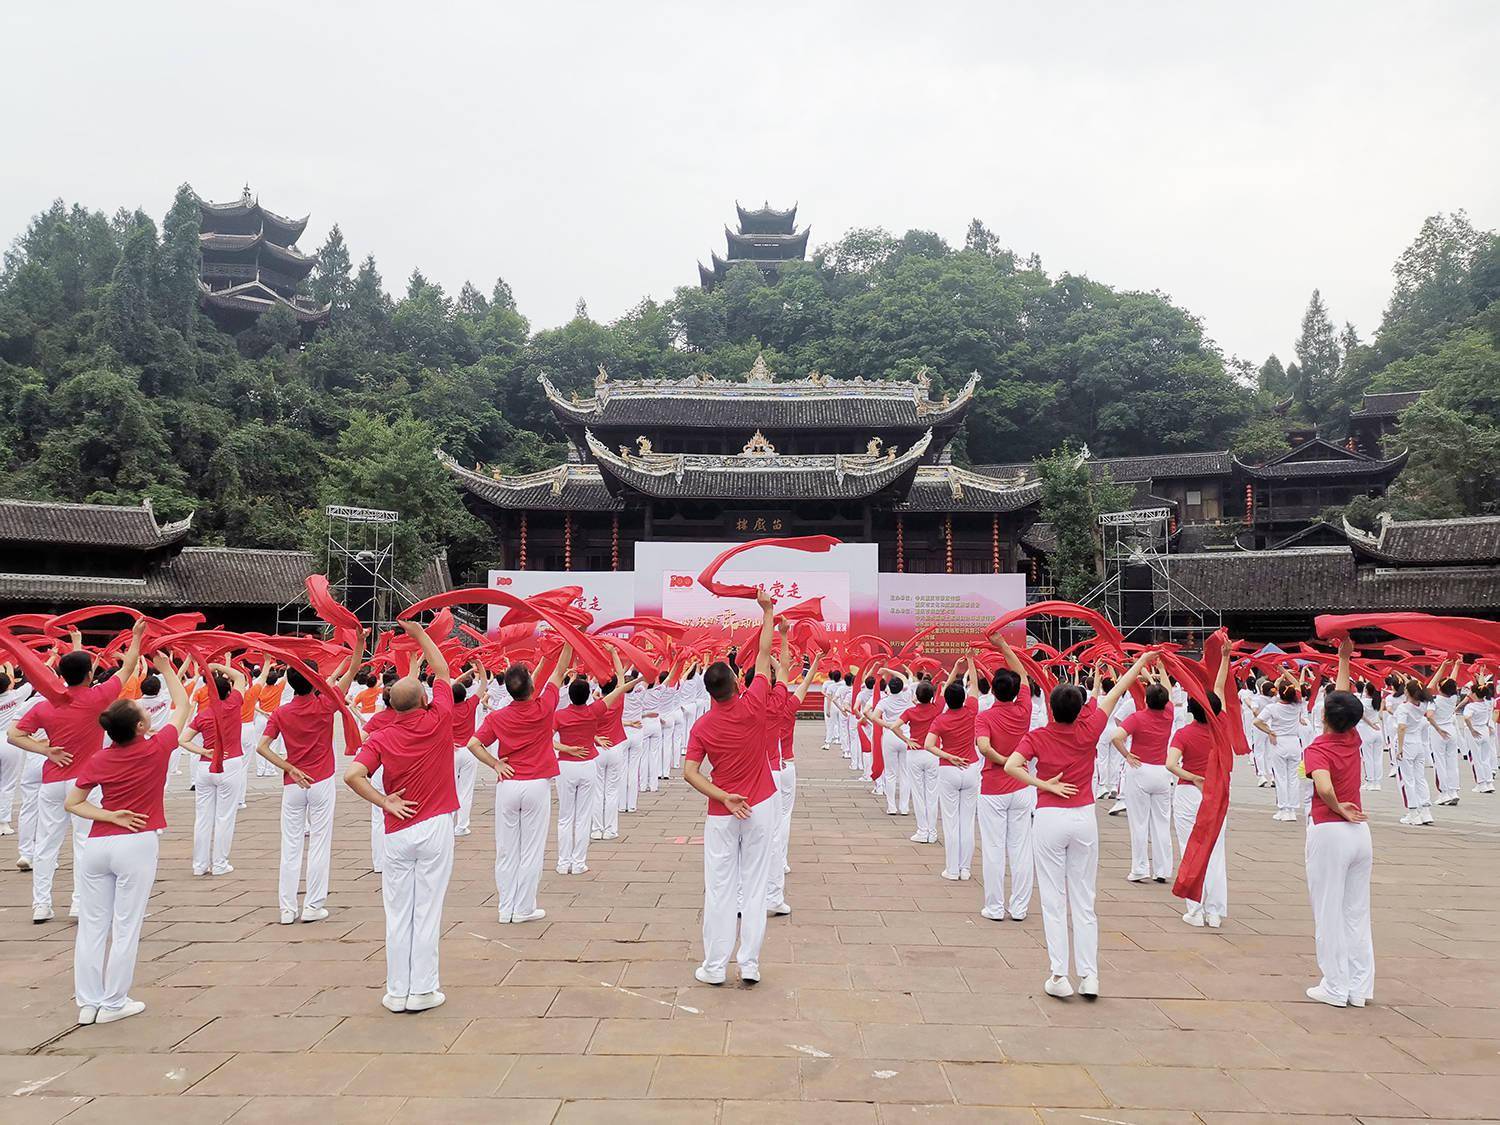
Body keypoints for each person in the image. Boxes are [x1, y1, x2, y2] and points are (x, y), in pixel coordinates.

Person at [1005, 651, 1151, 1000]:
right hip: (1084, 817)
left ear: (1051, 709)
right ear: (1080, 708)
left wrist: (1045, 785)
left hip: (1051, 818)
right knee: (1084, 900)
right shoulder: (1090, 729)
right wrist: (1139, 662)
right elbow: (1116, 692)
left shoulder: (1037, 736)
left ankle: (1059, 974)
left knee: (1055, 899)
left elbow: (1012, 766)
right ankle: (1090, 976)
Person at [65, 653, 193, 1026]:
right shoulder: (157, 748)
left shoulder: (99, 758)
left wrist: (107, 814)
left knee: (92, 924)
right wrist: (168, 668)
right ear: (139, 726)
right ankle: (114, 1001)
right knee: (125, 924)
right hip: (135, 842)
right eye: (141, 711)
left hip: (96, 846)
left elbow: (74, 803)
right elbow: (182, 704)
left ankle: (88, 1003)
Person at [345, 620, 458, 1013]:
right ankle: (423, 990)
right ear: (426, 698)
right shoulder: (439, 717)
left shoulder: (381, 736)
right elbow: (442, 671)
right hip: (435, 825)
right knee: (427, 909)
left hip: (398, 829)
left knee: (397, 912)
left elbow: (352, 775)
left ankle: (397, 992)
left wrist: (383, 802)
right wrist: (420, 634)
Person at [11, 622, 148, 922]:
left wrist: (46, 750)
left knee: (46, 844)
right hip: (85, 784)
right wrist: (136, 636)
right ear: (90, 675)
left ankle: (41, 905)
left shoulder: (46, 705)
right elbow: (128, 668)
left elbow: (14, 735)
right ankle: (78, 902)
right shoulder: (98, 698)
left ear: (60, 675)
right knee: (84, 843)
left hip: (52, 782)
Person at [682, 588, 779, 986]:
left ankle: (715, 966)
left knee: (720, 889)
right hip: (761, 805)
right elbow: (763, 655)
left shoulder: (703, 726)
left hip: (723, 813)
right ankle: (750, 963)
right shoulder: (755, 702)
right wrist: (767, 611)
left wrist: (723, 795)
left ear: (709, 692)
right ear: (738, 684)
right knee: (754, 888)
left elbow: (690, 772)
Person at [255, 649, 362, 924]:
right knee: (319, 844)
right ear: (315, 681)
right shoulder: (326, 703)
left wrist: (289, 767)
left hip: (293, 784)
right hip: (322, 780)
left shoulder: (281, 712)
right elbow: (351, 672)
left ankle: (287, 909)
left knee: (290, 847)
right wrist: (359, 643)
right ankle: (313, 905)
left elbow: (262, 747)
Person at [467, 646, 570, 923]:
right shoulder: (544, 706)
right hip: (536, 784)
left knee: (506, 848)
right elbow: (559, 672)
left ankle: (505, 908)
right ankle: (524, 908)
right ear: (532, 685)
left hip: (508, 784)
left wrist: (495, 764)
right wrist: (571, 637)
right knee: (531, 850)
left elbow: (473, 744)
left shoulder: (498, 716)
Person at [1303, 638, 1375, 1008]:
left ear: (1324, 717)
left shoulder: (1318, 748)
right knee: (1356, 912)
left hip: (1331, 831)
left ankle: (1335, 986)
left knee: (1328, 911)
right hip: (1360, 836)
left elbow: (1323, 786)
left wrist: (1338, 807)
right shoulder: (1352, 737)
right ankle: (1360, 987)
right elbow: (1345, 700)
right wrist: (1344, 659)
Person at [1167, 643, 1231, 928]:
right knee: (1216, 851)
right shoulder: (1222, 727)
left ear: (1190, 710)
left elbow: (1170, 764)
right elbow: (1219, 691)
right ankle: (1215, 912)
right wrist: (1225, 658)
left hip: (1188, 792)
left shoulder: (1183, 733)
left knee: (1190, 847)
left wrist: (1191, 776)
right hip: (1215, 795)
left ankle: (1195, 909)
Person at [975, 637, 1035, 922]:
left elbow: (984, 748)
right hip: (1022, 786)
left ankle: (995, 907)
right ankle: (1020, 908)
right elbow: (1023, 673)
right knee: (1021, 847)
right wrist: (1002, 645)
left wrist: (1003, 763)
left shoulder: (985, 717)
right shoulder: (1024, 710)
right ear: (1014, 691)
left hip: (994, 788)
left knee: (994, 848)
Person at [551, 667, 630, 876]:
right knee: (583, 816)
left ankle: (562, 862)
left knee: (565, 817)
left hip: (566, 766)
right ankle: (578, 863)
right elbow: (619, 690)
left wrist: (567, 748)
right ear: (588, 695)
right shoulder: (594, 710)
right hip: (587, 765)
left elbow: (547, 740)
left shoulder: (559, 715)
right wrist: (637, 680)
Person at [179, 662, 248, 876]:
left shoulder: (203, 715)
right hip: (230, 764)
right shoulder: (234, 703)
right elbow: (240, 677)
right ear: (228, 691)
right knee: (224, 817)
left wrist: (203, 750)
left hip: (205, 766)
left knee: (202, 817)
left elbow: (182, 740)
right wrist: (216, 664)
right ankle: (219, 864)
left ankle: (199, 866)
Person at [1111, 663, 1176, 883]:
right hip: (1162, 772)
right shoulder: (1169, 713)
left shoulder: (1137, 718)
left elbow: (1116, 736)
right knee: (1161, 822)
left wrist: (1127, 755)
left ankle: (1140, 868)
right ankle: (1163, 869)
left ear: (1146, 700)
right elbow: (1167, 688)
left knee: (1139, 823)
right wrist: (1161, 668)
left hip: (1139, 771)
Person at [765, 637, 813, 916]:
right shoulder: (788, 706)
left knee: (768, 825)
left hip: (764, 769)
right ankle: (780, 863)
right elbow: (803, 685)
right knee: (783, 818)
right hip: (785, 767)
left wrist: (770, 661)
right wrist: (815, 662)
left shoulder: (758, 707)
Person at [926, 657, 981, 881]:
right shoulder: (971, 710)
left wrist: (948, 755)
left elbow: (929, 745)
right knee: (967, 822)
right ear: (964, 697)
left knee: (951, 822)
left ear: (945, 699)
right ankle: (966, 869)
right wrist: (970, 663)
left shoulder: (940, 719)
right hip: (971, 768)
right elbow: (975, 686)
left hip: (949, 769)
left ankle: (953, 869)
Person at [1254, 676, 1311, 822]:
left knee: (1281, 777)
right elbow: (1298, 685)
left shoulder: (1272, 707)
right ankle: (1291, 809)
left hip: (1279, 742)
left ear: (1279, 693)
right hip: (1294, 742)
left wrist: (1270, 731)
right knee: (1293, 777)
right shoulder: (1297, 706)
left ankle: (1283, 808)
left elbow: (1257, 721)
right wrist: (1284, 671)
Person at [1394, 679, 1435, 827]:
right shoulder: (1423, 705)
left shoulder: (1403, 708)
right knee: (1420, 778)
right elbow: (1429, 688)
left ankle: (1412, 813)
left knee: (1407, 779)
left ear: (1407, 692)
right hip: (1418, 743)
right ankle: (1425, 811)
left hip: (1406, 743)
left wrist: (1399, 748)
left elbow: (1402, 728)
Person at [450, 667, 484, 836]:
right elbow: (483, 685)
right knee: (466, 790)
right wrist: (479, 668)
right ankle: (461, 826)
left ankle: (448, 823)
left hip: (451, 751)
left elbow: (452, 686)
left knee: (450, 788)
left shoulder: (446, 706)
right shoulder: (470, 704)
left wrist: (466, 672)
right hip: (469, 751)